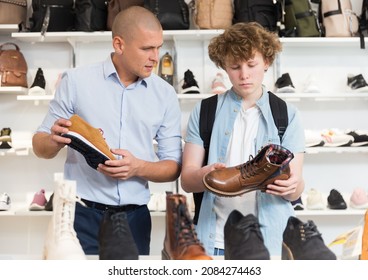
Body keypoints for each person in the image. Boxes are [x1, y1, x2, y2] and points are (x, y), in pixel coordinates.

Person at [32, 6, 182, 255]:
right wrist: (53, 139)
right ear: (119, 45)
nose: (156, 57)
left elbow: (173, 166)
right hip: (81, 214)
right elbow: (40, 147)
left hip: (135, 218)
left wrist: (138, 167)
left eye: (158, 47)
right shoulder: (76, 82)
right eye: (147, 48)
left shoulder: (165, 94)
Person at [181, 22, 305, 256]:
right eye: (235, 66)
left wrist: (291, 186)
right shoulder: (205, 111)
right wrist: (206, 176)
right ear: (224, 67)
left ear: (266, 62)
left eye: (251, 64)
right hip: (216, 239)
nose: (244, 75)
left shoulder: (287, 115)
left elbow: (296, 188)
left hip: (269, 241)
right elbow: (187, 180)